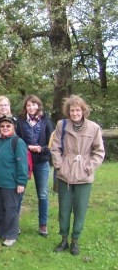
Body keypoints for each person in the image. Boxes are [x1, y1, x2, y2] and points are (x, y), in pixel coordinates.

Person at [50, 95, 105, 256]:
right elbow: (55, 147)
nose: (75, 113)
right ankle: (64, 239)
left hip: (84, 175)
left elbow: (99, 151)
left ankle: (75, 240)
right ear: (68, 112)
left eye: (78, 110)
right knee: (64, 209)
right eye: (72, 110)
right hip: (65, 173)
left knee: (80, 209)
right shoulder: (62, 125)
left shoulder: (94, 128)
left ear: (83, 110)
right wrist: (59, 165)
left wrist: (89, 167)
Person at [0, 116, 29, 247]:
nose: (5, 128)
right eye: (2, 126)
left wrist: (21, 182)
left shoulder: (17, 142)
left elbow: (22, 163)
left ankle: (11, 235)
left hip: (10, 183)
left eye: (8, 126)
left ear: (13, 127)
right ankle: (1, 232)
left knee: (10, 209)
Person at [15, 95, 54, 237]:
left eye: (34, 104)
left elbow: (52, 142)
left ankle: (43, 224)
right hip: (24, 162)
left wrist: (41, 149)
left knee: (42, 194)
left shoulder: (46, 120)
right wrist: (27, 147)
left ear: (38, 105)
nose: (31, 108)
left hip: (41, 161)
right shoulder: (19, 121)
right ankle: (14, 224)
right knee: (19, 192)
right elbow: (16, 139)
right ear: (25, 107)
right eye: (28, 105)